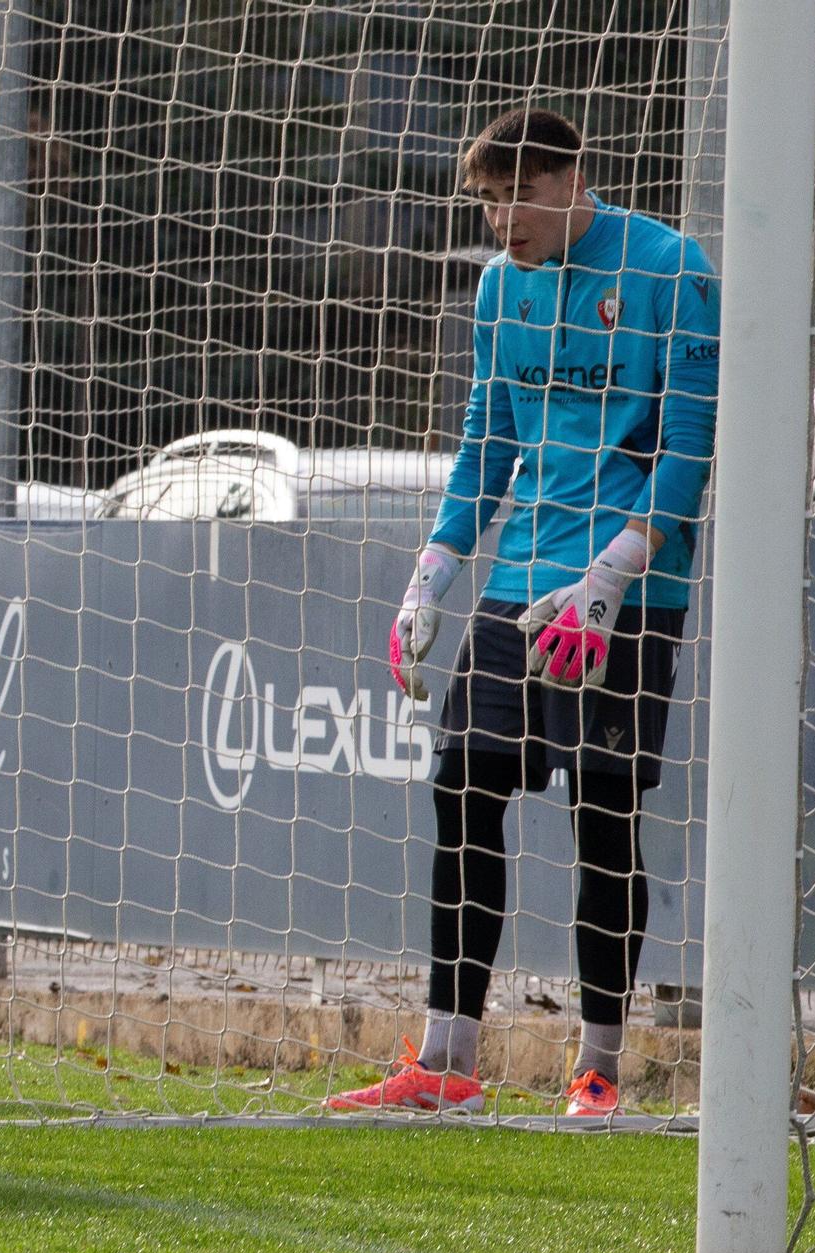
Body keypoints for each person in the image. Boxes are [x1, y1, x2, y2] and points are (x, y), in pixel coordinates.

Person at [326, 108, 718, 1118]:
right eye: (489, 200)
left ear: (568, 177)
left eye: (518, 194)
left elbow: (684, 449)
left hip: (620, 591)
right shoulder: (499, 287)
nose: (503, 219)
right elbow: (482, 446)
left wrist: (614, 573)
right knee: (461, 789)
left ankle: (594, 1067)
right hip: (515, 585)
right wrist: (429, 577)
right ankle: (447, 1058)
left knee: (600, 810)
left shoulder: (668, 270)